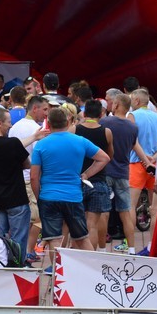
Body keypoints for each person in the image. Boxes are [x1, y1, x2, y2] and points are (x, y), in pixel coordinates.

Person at [31, 107, 110, 251]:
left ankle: (57, 266)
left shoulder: (41, 144)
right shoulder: (80, 141)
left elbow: (34, 177)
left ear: (49, 123)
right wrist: (86, 174)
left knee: (54, 239)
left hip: (49, 196)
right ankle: (91, 265)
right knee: (82, 238)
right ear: (68, 122)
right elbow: (104, 158)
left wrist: (39, 197)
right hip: (73, 196)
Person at [0, 107, 41, 259]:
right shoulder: (12, 144)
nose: (11, 125)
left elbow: (13, 145)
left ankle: (0, 265)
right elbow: (27, 164)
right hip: (16, 198)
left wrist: (34, 137)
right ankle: (17, 266)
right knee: (18, 241)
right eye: (8, 122)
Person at [99, 93, 143, 253]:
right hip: (123, 173)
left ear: (116, 105)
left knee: (103, 212)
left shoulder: (105, 122)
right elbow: (133, 146)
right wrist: (146, 160)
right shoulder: (133, 127)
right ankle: (131, 249)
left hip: (106, 171)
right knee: (125, 212)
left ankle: (102, 249)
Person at [9, 95, 50, 260]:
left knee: (22, 218)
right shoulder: (36, 130)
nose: (46, 114)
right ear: (35, 108)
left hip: (17, 178)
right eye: (44, 109)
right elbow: (40, 157)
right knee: (37, 218)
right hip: (30, 178)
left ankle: (21, 251)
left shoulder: (14, 127)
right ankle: (27, 251)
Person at [72, 100, 113, 251]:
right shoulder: (106, 132)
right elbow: (110, 155)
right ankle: (91, 258)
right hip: (98, 181)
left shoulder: (75, 129)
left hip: (77, 181)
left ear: (84, 113)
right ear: (101, 114)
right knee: (92, 225)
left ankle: (77, 259)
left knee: (76, 224)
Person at [127, 89, 157, 231]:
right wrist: (153, 158)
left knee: (130, 205)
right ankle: (155, 240)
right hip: (156, 165)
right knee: (156, 207)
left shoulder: (132, 116)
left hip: (137, 163)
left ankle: (129, 241)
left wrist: (144, 159)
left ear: (136, 101)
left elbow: (131, 140)